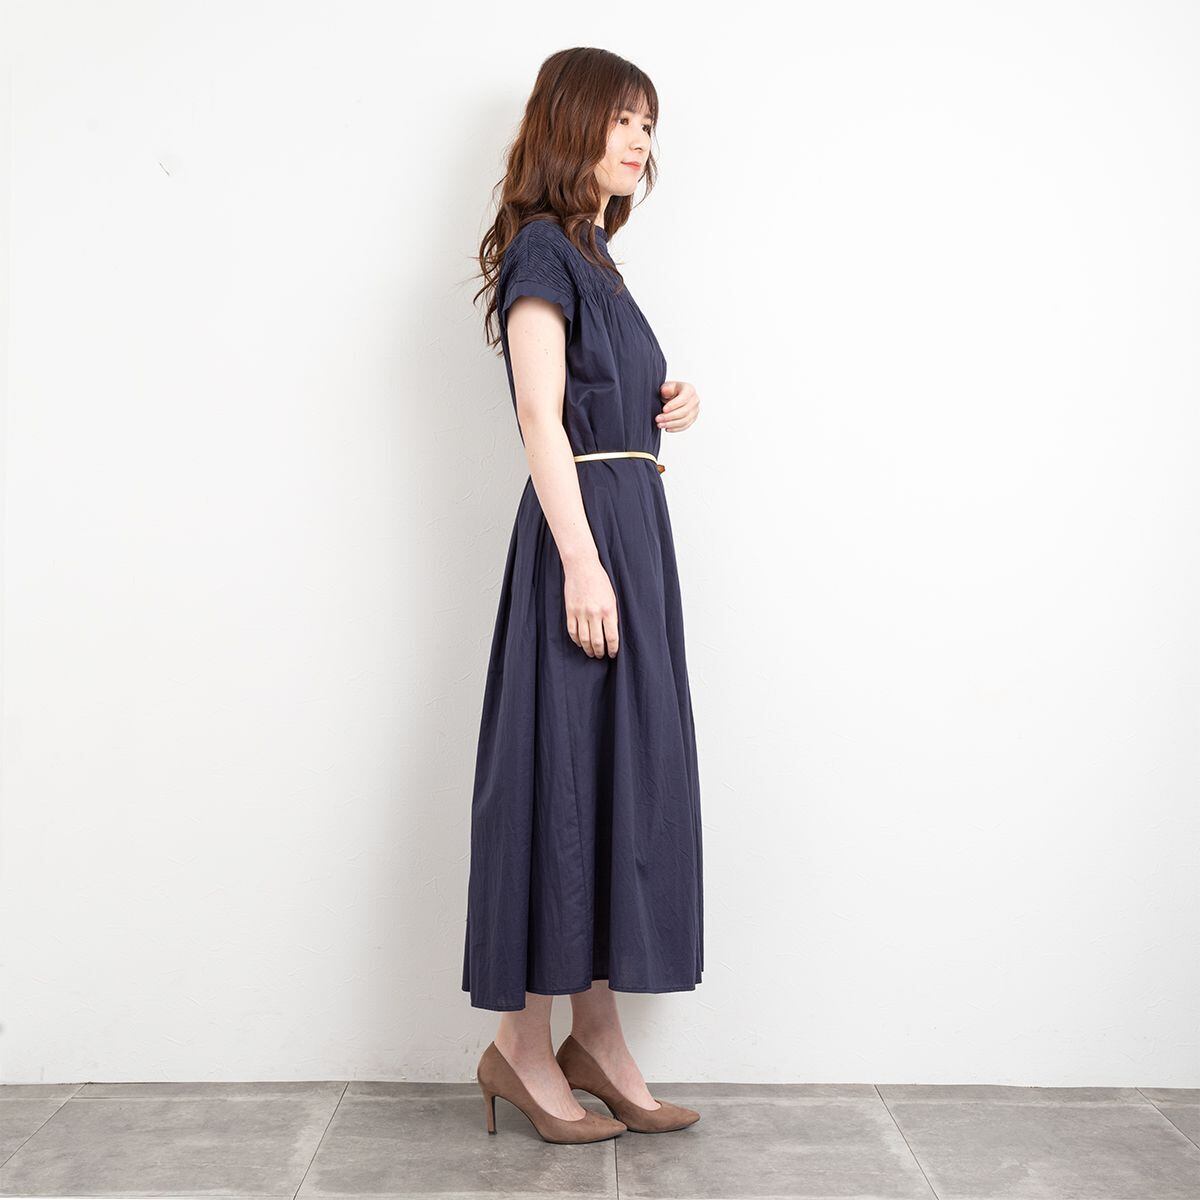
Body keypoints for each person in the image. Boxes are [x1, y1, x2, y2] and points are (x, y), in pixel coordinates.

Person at [463, 47, 704, 1144]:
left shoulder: (596, 257)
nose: (640, 140)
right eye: (622, 118)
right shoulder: (541, 252)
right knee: (559, 781)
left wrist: (666, 400)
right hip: (589, 542)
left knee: (616, 782)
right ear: (572, 123)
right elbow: (538, 413)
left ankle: (595, 1039)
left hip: (631, 530)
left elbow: (596, 397)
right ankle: (520, 1048)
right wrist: (581, 559)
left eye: (649, 123)